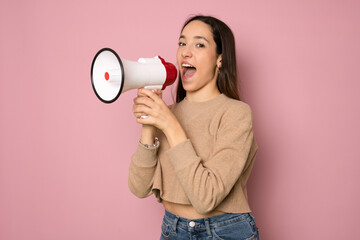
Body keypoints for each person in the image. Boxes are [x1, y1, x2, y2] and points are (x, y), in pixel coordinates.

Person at [129, 15, 259, 240]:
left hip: (224, 231)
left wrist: (169, 124)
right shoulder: (166, 113)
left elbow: (205, 198)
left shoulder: (237, 113)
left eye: (199, 44)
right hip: (172, 229)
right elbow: (139, 188)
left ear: (220, 59)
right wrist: (149, 125)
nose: (185, 52)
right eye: (182, 43)